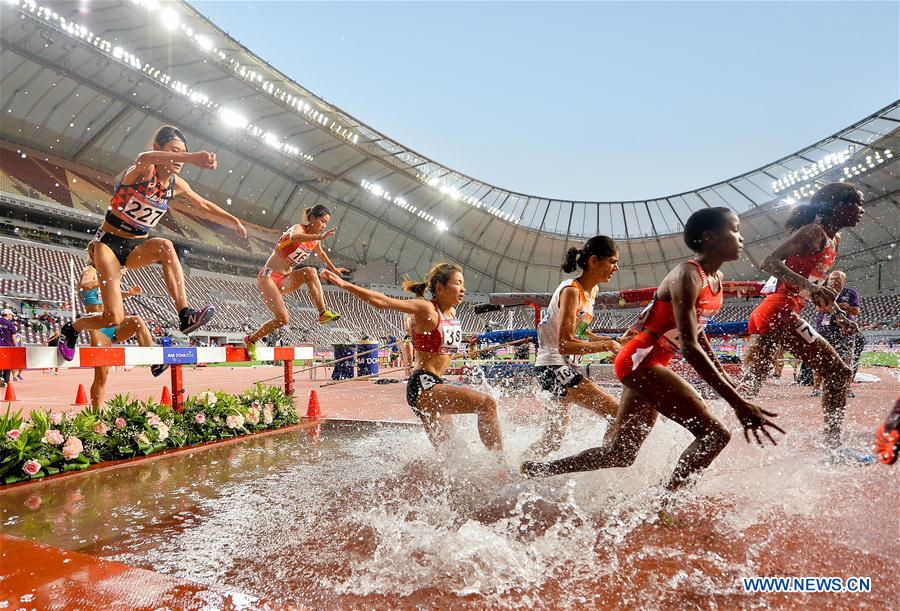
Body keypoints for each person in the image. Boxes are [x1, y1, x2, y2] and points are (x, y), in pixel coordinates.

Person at [522, 208, 784, 490]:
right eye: (734, 230)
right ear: (710, 237)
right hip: (596, 363)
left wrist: (723, 374)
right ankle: (663, 504)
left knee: (618, 453)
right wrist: (737, 402)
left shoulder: (714, 281)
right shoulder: (686, 275)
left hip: (630, 360)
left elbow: (697, 334)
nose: (741, 237)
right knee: (713, 434)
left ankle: (539, 469)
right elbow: (567, 341)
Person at [54, 125, 247, 361]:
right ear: (159, 149)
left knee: (165, 245)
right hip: (108, 245)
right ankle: (71, 329)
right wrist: (191, 157)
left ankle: (185, 314)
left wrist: (233, 219)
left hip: (135, 247)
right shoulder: (143, 171)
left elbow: (203, 204)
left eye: (182, 153)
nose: (179, 160)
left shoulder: (177, 185)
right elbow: (143, 157)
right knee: (112, 318)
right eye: (173, 152)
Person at [741, 183, 868, 459]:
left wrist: (838, 315)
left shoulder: (834, 241)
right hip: (779, 312)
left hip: (785, 312)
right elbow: (770, 262)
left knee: (749, 384)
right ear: (837, 205)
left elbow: (814, 287)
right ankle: (833, 448)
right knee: (839, 373)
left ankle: (692, 415)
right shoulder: (813, 232)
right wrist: (810, 289)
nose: (861, 209)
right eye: (856, 203)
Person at [322, 264, 503, 452]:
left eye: (463, 283)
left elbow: (440, 347)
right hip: (423, 385)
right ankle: (501, 466)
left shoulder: (453, 313)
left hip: (436, 383)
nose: (464, 289)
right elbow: (382, 301)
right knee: (487, 404)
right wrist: (344, 285)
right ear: (440, 288)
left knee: (450, 452)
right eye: (458, 283)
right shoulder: (426, 308)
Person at [527, 236, 622, 457]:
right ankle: (602, 467)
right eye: (612, 261)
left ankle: (519, 467)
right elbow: (565, 343)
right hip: (554, 366)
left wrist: (614, 342)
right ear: (593, 262)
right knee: (616, 414)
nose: (616, 268)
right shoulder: (571, 291)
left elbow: (580, 332)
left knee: (552, 440)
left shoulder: (593, 292)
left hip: (557, 367)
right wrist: (607, 345)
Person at [244, 204, 345, 360]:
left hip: (285, 279)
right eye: (322, 221)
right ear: (312, 218)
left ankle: (323, 313)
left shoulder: (314, 241)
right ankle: (251, 340)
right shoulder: (298, 228)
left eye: (326, 223)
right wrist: (318, 237)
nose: (324, 226)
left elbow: (322, 254)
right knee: (283, 319)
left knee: (310, 271)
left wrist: (334, 269)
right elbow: (293, 238)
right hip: (268, 277)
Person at [78, 260, 168, 407]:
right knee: (101, 376)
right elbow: (84, 286)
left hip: (114, 323)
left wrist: (128, 293)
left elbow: (111, 294)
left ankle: (154, 362)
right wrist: (112, 277)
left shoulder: (106, 274)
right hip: (98, 326)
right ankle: (97, 415)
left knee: (137, 321)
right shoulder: (90, 270)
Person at [811, 270, 860, 395]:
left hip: (845, 331)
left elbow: (856, 311)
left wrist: (845, 307)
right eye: (832, 278)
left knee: (846, 360)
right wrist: (840, 306)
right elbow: (819, 307)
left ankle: (846, 388)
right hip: (824, 331)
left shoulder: (851, 293)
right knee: (820, 359)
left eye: (838, 278)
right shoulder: (823, 291)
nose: (834, 281)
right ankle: (816, 388)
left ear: (845, 280)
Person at [0, 308, 17, 388]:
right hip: (8, 347)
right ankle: (6, 381)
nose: (12, 317)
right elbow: (14, 338)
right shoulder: (11, 325)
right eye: (11, 315)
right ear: (7, 315)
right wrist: (16, 347)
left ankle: (0, 378)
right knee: (7, 364)